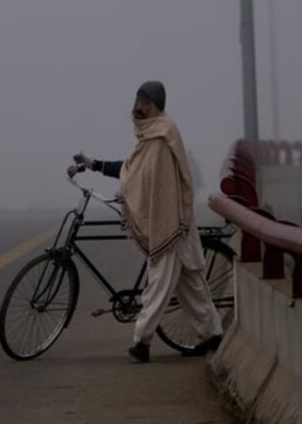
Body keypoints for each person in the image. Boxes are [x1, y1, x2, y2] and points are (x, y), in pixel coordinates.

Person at [68, 81, 222, 362]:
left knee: (159, 283)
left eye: (144, 103)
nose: (137, 108)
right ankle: (213, 334)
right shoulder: (151, 136)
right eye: (137, 101)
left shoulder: (163, 136)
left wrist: (128, 190)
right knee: (191, 285)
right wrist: (93, 164)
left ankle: (142, 341)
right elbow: (133, 170)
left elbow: (144, 178)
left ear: (156, 106)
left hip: (170, 222)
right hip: (177, 220)